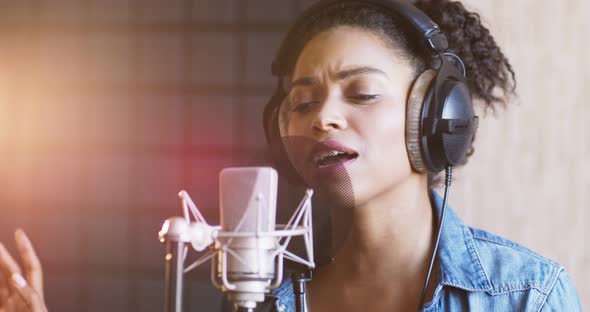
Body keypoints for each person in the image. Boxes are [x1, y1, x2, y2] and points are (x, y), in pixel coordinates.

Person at [255, 0, 583, 311]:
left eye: (362, 94)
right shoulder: (260, 296)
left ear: (434, 116)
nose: (323, 117)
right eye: (303, 103)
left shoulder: (527, 297)